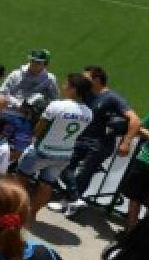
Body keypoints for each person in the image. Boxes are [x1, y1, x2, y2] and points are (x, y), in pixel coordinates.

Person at [51, 66, 141, 217]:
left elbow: (135, 120)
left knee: (85, 173)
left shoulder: (112, 98)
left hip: (100, 145)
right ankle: (74, 199)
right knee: (63, 165)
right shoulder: (86, 94)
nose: (82, 80)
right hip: (80, 140)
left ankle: (70, 204)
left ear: (97, 79)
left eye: (86, 77)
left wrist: (126, 143)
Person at [18, 72, 94, 219]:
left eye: (67, 84)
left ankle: (14, 209)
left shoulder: (56, 105)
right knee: (46, 185)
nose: (63, 86)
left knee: (20, 178)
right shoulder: (89, 113)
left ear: (74, 89)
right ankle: (32, 213)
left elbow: (38, 130)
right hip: (64, 154)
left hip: (42, 150)